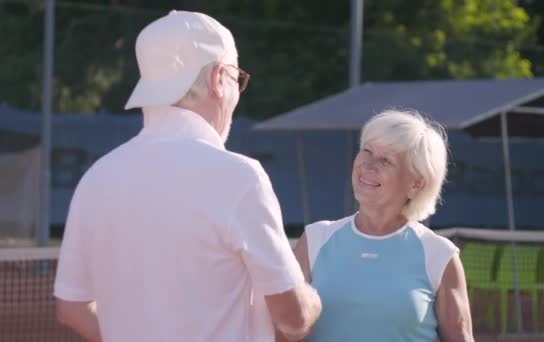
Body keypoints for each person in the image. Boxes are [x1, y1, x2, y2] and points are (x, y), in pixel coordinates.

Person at [54, 10, 321, 342]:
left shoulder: (97, 179)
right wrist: (312, 300)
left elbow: (72, 307)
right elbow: (292, 318)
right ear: (218, 79)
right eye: (237, 78)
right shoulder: (239, 178)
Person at [293, 109, 474, 341]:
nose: (368, 165)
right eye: (366, 150)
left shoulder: (440, 255)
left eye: (386, 160)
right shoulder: (315, 240)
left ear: (416, 184)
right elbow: (281, 328)